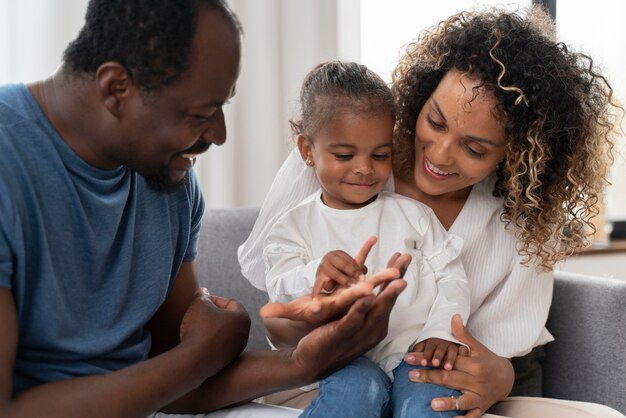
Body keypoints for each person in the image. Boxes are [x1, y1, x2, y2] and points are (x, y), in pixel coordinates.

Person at [0, 1, 408, 417]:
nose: (219, 134)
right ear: (115, 89)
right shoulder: (9, 162)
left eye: (222, 106)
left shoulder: (169, 181)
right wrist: (199, 356)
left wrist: (305, 361)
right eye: (200, 113)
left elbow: (169, 382)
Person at [238, 5, 623, 418]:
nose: (439, 155)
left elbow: (495, 357)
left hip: (445, 381)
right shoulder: (343, 151)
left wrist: (499, 379)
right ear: (422, 96)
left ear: (515, 154)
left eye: (475, 148)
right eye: (435, 122)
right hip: (337, 373)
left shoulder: (521, 218)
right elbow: (279, 318)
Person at [260, 61, 470, 418]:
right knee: (355, 393)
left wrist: (441, 333)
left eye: (380, 154)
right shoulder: (292, 226)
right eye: (344, 155)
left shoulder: (414, 216)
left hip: (413, 353)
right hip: (341, 358)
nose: (364, 168)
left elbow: (452, 277)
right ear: (308, 150)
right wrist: (316, 276)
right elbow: (280, 291)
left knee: (430, 406)